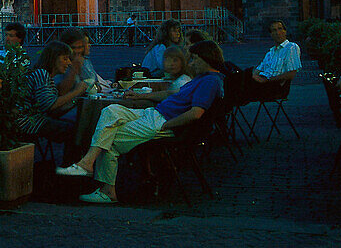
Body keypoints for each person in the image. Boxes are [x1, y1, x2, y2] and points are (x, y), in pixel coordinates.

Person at [56, 40, 226, 204]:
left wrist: (166, 125)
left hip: (162, 121)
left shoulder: (209, 81)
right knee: (110, 110)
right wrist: (141, 96)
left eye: (195, 58)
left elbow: (195, 113)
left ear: (206, 58)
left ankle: (107, 191)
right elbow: (172, 94)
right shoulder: (202, 79)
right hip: (155, 114)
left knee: (109, 137)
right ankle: (87, 163)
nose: (192, 62)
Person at [17, 41, 86, 146]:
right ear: (53, 59)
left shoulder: (47, 78)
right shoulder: (41, 74)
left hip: (35, 120)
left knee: (77, 126)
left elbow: (52, 109)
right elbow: (49, 105)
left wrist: (75, 100)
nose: (69, 63)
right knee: (77, 131)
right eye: (65, 59)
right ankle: (73, 161)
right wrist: (76, 92)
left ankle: (72, 161)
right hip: (28, 123)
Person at [245, 20, 301, 101]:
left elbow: (291, 74)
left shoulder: (291, 47)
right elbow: (257, 70)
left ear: (285, 31)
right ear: (271, 34)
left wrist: (266, 80)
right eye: (274, 30)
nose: (278, 33)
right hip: (262, 83)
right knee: (236, 76)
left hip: (276, 87)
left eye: (280, 29)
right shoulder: (270, 53)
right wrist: (254, 77)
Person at [121, 45, 190, 102]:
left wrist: (139, 96)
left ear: (182, 62)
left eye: (175, 60)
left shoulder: (183, 81)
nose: (171, 64)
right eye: (168, 60)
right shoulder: (174, 80)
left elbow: (168, 94)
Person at [57, 28, 110, 96]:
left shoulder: (85, 61)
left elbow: (96, 84)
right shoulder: (61, 64)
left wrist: (94, 89)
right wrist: (74, 70)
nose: (77, 51)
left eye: (80, 47)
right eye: (74, 48)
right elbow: (61, 92)